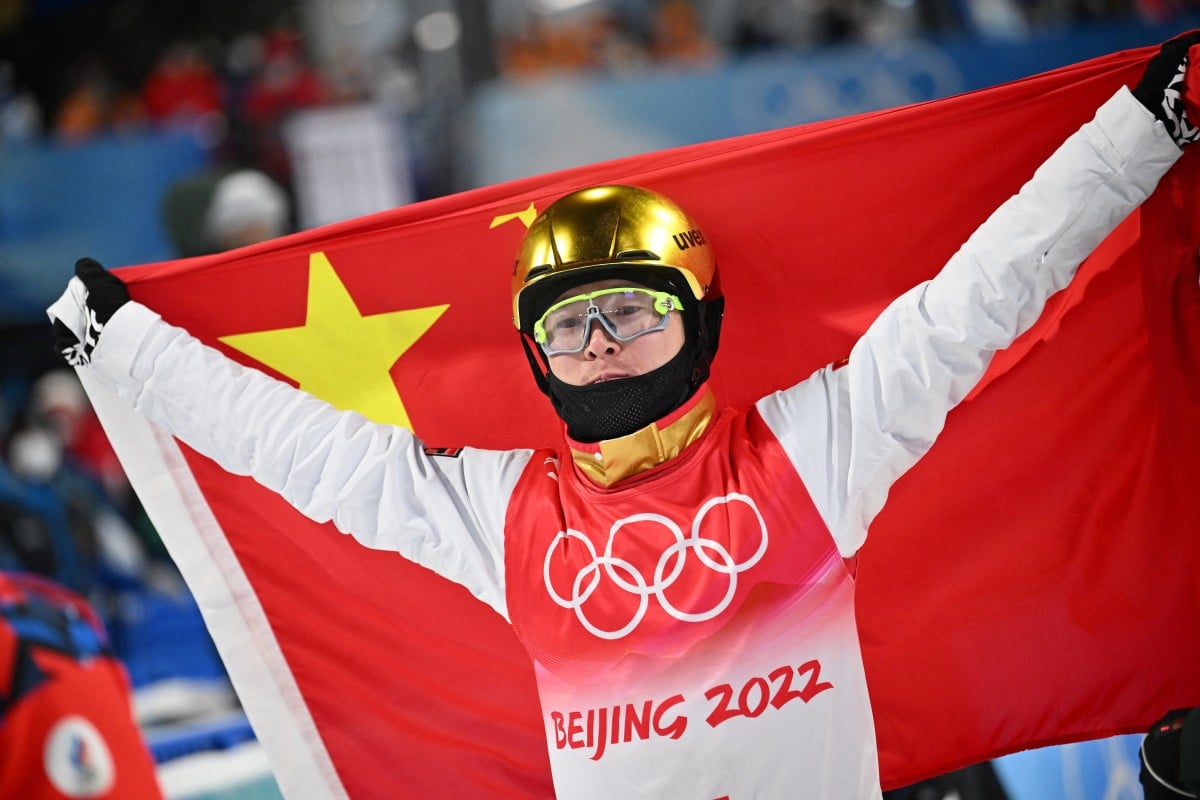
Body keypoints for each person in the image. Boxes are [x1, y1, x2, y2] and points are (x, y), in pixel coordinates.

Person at [45, 33, 1199, 799]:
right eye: (566, 325)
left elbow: (975, 303)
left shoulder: (814, 444)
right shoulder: (495, 509)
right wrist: (124, 340)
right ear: (535, 358)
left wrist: (1145, 126)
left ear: (700, 318)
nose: (598, 346)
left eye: (629, 313)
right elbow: (298, 449)